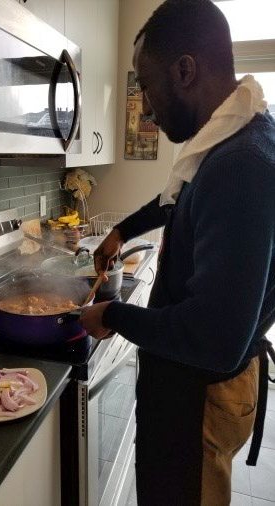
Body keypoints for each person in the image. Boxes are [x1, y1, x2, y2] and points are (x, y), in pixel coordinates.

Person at [79, 0, 275, 504]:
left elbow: (214, 338)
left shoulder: (240, 165)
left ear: (185, 70)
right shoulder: (239, 135)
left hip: (200, 398)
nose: (145, 105)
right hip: (198, 391)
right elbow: (181, 197)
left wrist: (114, 315)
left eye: (146, 85)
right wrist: (123, 229)